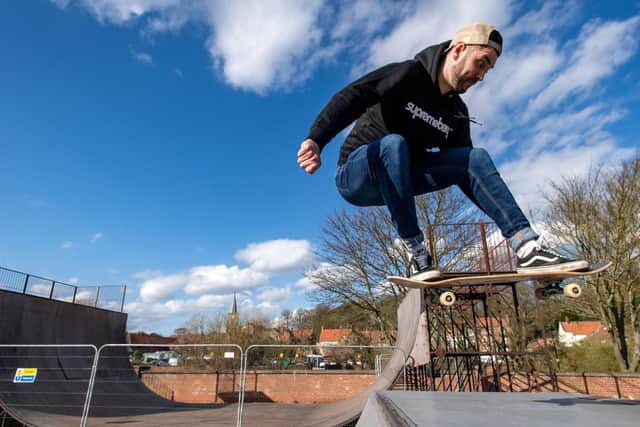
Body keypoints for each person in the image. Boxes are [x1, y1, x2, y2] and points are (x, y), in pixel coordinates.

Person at [297, 23, 587, 281]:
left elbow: (472, 175)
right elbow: (354, 95)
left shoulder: (456, 113)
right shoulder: (408, 74)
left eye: (488, 69)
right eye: (481, 63)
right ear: (459, 49)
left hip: (403, 177)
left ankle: (527, 247)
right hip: (357, 175)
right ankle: (415, 251)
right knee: (393, 144)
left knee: (475, 158)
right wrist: (316, 139)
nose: (482, 76)